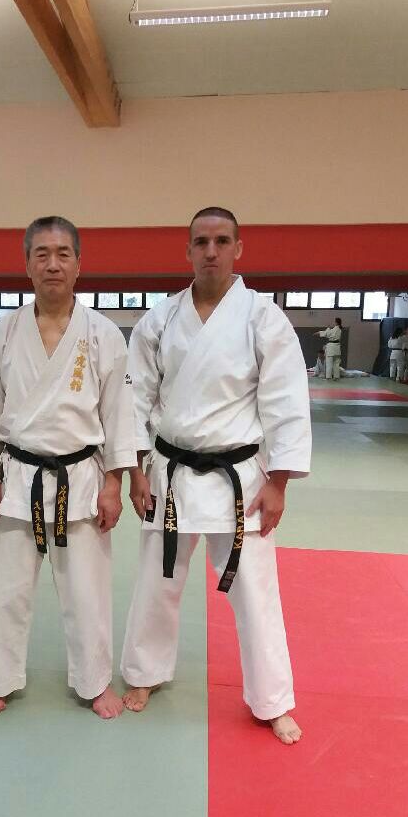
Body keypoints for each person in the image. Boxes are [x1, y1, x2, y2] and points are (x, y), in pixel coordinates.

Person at [120, 207, 311, 745]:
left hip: (240, 477)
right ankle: (145, 672)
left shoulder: (263, 317)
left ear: (238, 248)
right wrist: (134, 468)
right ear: (187, 250)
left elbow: (286, 400)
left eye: (222, 241)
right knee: (157, 582)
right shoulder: (160, 319)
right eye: (201, 241)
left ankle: (272, 699)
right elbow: (135, 398)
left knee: (255, 591)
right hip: (171, 472)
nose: (211, 251)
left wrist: (279, 482)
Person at [0, 216, 136, 721]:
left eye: (63, 254)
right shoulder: (2, 333)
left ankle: (94, 682)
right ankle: (1, 681)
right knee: (8, 592)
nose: (52, 264)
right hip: (18, 478)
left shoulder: (104, 335)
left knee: (87, 594)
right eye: (41, 254)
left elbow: (118, 416)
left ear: (79, 265)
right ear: (27, 265)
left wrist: (114, 485)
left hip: (81, 480)